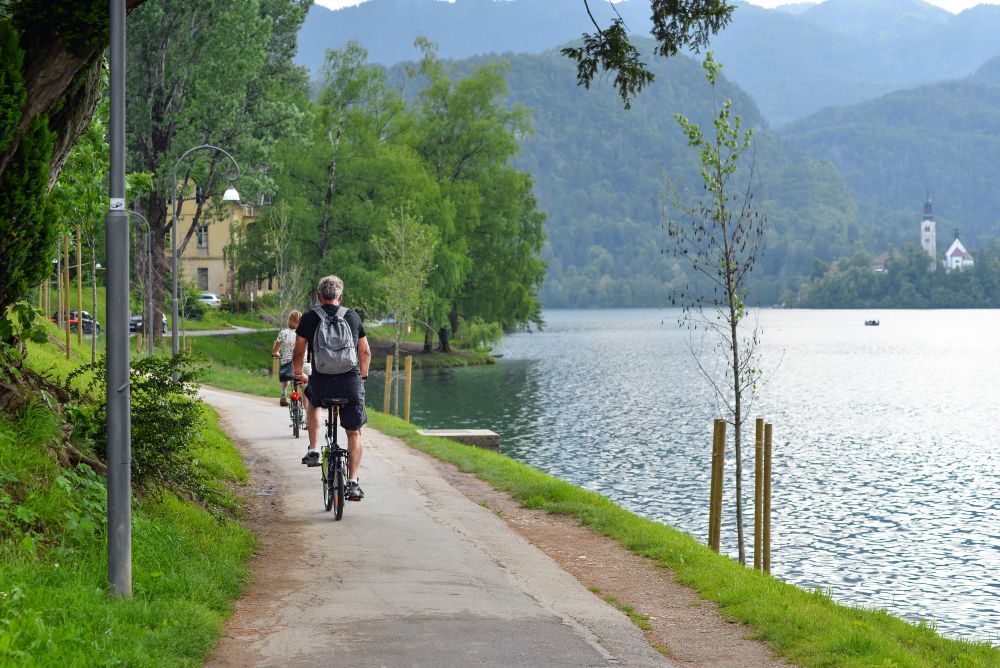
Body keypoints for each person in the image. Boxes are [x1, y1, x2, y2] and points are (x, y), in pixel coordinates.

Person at [293, 275, 371, 500]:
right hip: (350, 382)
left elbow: (299, 351)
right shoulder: (353, 317)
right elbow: (364, 352)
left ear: (319, 296)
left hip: (322, 381)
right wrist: (361, 378)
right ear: (340, 296)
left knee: (313, 401)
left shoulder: (309, 317)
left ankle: (314, 449)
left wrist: (299, 373)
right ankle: (354, 483)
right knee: (354, 432)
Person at [272, 310, 301, 406]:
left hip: (287, 363)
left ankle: (284, 394)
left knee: (286, 377)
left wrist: (279, 355)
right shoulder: (303, 333)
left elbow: (275, 351)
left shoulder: (283, 333)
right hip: (301, 363)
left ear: (289, 320)